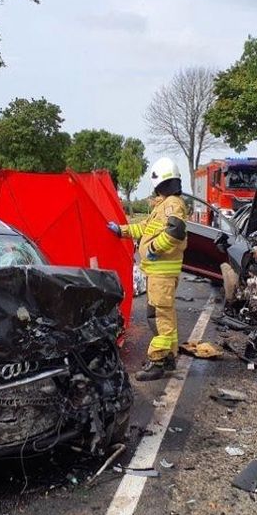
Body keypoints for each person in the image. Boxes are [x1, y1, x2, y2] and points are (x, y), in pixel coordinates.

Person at [108, 157, 188, 381]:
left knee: (158, 317)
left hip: (162, 273)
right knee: (165, 316)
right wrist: (121, 230)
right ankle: (169, 357)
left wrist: (153, 247)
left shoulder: (172, 204)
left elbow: (175, 232)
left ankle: (158, 361)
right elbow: (146, 227)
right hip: (158, 273)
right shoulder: (164, 205)